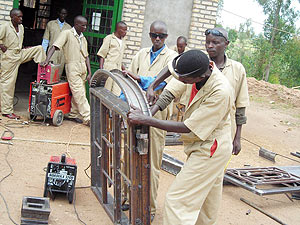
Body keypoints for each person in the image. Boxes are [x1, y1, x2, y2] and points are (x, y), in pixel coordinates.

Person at [129, 49, 233, 225]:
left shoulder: (220, 91)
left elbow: (187, 127)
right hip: (205, 143)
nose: (180, 82)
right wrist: (153, 89)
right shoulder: (194, 66)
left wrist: (146, 119)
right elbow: (170, 87)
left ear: (198, 77)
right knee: (208, 203)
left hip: (211, 147)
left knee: (177, 201)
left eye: (184, 80)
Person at [123, 20, 177, 221]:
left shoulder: (172, 58)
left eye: (161, 36)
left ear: (166, 37)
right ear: (149, 35)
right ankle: (127, 197)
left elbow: (168, 85)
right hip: (135, 110)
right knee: (128, 155)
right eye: (154, 35)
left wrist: (142, 80)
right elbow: (128, 78)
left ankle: (149, 206)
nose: (157, 39)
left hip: (157, 114)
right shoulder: (141, 54)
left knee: (152, 161)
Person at [205, 27, 249, 155]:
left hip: (225, 132)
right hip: (201, 128)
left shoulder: (237, 69)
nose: (210, 46)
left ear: (226, 44)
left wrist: (237, 137)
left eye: (215, 43)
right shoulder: (200, 66)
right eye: (207, 42)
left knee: (219, 169)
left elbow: (240, 107)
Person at [41, 15, 91, 125]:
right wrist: (46, 60)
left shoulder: (83, 38)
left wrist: (89, 72)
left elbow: (86, 56)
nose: (85, 28)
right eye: (83, 25)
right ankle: (88, 117)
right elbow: (54, 46)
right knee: (80, 93)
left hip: (83, 67)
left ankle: (73, 114)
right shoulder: (67, 33)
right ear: (76, 24)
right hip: (72, 66)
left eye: (86, 25)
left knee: (78, 93)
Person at [0, 9, 46, 119]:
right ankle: (6, 110)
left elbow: (19, 42)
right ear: (12, 17)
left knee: (39, 48)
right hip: (9, 57)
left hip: (19, 53)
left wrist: (25, 49)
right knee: (8, 84)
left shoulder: (21, 27)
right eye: (18, 17)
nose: (21, 19)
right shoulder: (5, 26)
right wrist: (2, 47)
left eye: (21, 16)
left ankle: (44, 70)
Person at [97, 21, 127, 95]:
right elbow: (102, 55)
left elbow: (119, 57)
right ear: (118, 29)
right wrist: (102, 71)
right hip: (109, 68)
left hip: (118, 70)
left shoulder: (123, 41)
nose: (126, 32)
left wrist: (125, 69)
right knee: (107, 90)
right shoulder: (109, 38)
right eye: (124, 30)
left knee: (116, 92)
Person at [41, 8, 71, 74]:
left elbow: (69, 44)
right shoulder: (51, 24)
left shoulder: (69, 27)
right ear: (58, 13)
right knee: (50, 71)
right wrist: (43, 53)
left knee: (59, 73)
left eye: (65, 14)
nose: (63, 15)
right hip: (52, 52)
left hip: (62, 53)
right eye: (62, 13)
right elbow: (45, 40)